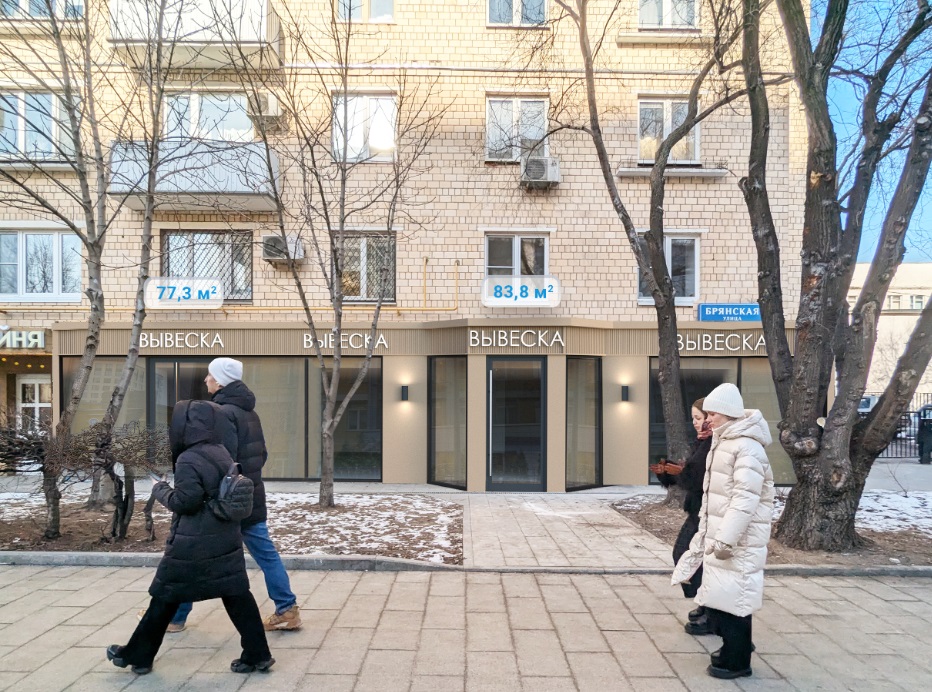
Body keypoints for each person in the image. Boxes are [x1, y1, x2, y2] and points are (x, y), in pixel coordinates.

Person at [108, 400, 274, 675]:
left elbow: (186, 502)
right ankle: (258, 654)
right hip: (223, 536)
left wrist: (160, 488)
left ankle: (138, 655)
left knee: (165, 595)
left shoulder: (188, 458)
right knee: (236, 595)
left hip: (194, 541)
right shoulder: (221, 451)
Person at [148, 357, 302, 633]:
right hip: (249, 494)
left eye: (209, 375)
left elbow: (221, 460)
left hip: (225, 502)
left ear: (219, 381)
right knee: (265, 554)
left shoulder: (220, 412)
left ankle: (174, 617)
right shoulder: (249, 412)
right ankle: (287, 608)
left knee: (191, 552)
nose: (205, 380)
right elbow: (261, 455)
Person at [671, 382, 774, 680]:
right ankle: (734, 647)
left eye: (712, 414)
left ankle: (736, 660)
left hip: (737, 538)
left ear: (727, 413)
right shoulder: (725, 440)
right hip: (721, 533)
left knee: (735, 596)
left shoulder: (746, 447)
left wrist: (726, 538)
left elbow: (744, 499)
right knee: (725, 593)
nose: (708, 419)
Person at [650, 398, 713, 634]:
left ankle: (710, 610)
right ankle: (705, 605)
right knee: (688, 555)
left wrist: (678, 471)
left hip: (708, 512)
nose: (695, 423)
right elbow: (690, 474)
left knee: (687, 555)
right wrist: (667, 473)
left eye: (699, 418)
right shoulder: (703, 441)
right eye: (693, 418)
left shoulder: (713, 444)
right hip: (699, 510)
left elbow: (697, 479)